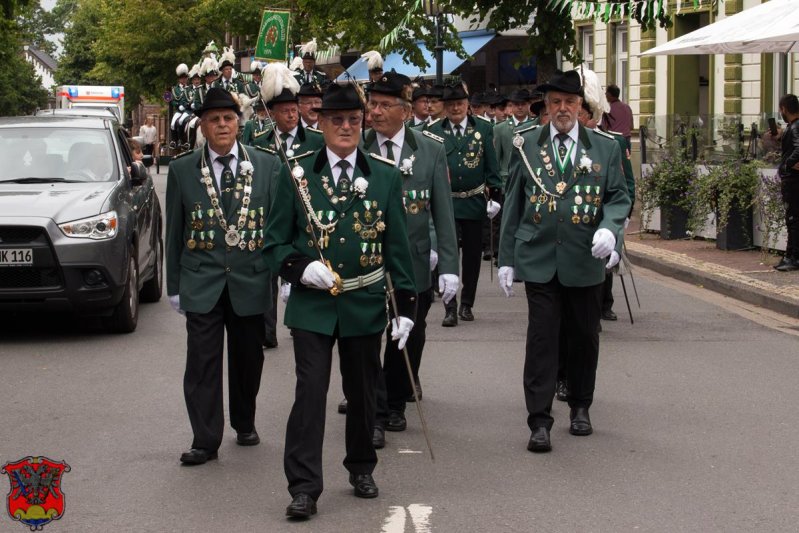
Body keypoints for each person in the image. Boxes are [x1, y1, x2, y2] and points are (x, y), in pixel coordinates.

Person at [262, 82, 417, 519]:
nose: (345, 127)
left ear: (363, 122)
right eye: (336, 120)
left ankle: (361, 465)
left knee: (364, 392)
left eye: (353, 120)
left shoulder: (384, 175)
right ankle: (304, 486)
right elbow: (274, 242)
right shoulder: (296, 173)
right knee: (310, 393)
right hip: (312, 305)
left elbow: (398, 249)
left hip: (364, 301)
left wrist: (405, 309)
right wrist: (297, 268)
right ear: (321, 122)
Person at [497, 70, 630, 453]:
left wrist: (611, 229)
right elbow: (514, 204)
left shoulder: (605, 147)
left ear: (581, 107)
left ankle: (580, 405)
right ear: (547, 106)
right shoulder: (526, 145)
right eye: (555, 102)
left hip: (585, 257)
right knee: (541, 339)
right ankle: (539, 420)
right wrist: (507, 258)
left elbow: (618, 196)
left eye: (569, 103)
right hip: (539, 256)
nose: (562, 109)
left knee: (584, 336)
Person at [164, 88, 282, 465]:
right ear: (202, 126)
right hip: (202, 281)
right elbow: (176, 233)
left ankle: (244, 421)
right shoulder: (183, 169)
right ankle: (205, 438)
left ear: (238, 123)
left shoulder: (266, 165)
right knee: (201, 362)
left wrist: (284, 275)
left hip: (250, 279)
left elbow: (277, 228)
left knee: (249, 359)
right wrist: (174, 286)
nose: (222, 125)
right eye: (214, 120)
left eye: (228, 118)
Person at [360, 71, 459, 447]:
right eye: (373, 104)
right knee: (369, 335)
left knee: (408, 336)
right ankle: (375, 409)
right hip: (367, 260)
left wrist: (449, 266)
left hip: (415, 261)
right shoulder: (358, 145)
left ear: (405, 110)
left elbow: (442, 212)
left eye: (385, 105)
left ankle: (397, 399)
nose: (376, 112)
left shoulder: (430, 149)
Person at [257, 62, 325, 348]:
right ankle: (267, 331)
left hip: (304, 215)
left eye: (294, 109)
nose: (291, 114)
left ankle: (301, 325)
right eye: (284, 110)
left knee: (301, 266)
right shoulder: (259, 139)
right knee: (268, 274)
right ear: (272, 113)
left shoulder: (317, 140)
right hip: (267, 214)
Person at [426, 83, 501, 326]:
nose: (455, 108)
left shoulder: (484, 128)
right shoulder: (434, 131)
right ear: (444, 107)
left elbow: (491, 164)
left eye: (459, 103)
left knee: (471, 257)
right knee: (447, 255)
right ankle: (450, 305)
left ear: (468, 104)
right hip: (445, 203)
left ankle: (467, 303)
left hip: (473, 201)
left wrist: (495, 196)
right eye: (450, 104)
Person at [775, 93, 799, 271]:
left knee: (793, 219)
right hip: (791, 179)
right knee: (792, 218)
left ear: (784, 109)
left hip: (793, 181)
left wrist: (786, 166)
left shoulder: (796, 127)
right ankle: (790, 255)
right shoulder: (792, 126)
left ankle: (794, 257)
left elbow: (798, 148)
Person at [603, 84, 634, 149]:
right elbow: (631, 126)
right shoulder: (627, 107)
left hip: (614, 140)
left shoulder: (608, 109)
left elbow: (604, 129)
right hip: (626, 140)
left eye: (606, 93)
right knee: (626, 159)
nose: (605, 95)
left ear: (609, 94)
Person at [170, 63, 192, 149]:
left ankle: (182, 141)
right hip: (179, 110)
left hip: (187, 110)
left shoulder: (190, 88)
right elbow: (173, 100)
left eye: (185, 78)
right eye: (182, 78)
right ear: (179, 79)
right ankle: (174, 141)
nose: (184, 80)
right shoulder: (175, 89)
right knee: (172, 124)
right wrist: (178, 106)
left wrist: (187, 106)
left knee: (181, 122)